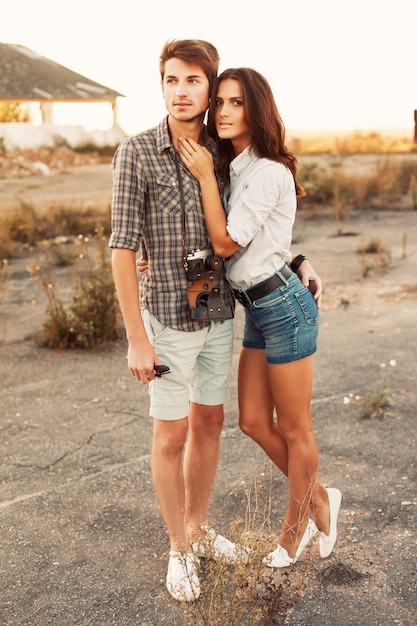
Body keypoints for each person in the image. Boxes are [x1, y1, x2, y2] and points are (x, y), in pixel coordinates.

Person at [110, 40, 322, 603]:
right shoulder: (137, 153)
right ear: (161, 85)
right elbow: (123, 248)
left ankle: (200, 531)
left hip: (224, 314)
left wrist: (295, 260)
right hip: (169, 322)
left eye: (194, 82)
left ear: (209, 90)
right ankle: (179, 549)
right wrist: (135, 337)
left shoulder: (223, 153)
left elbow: (253, 227)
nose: (182, 92)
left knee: (210, 427)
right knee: (170, 436)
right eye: (171, 81)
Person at [178, 67, 341, 569]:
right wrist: (297, 257)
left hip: (285, 310)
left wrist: (205, 175)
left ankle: (293, 536)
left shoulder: (267, 170)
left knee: (295, 429)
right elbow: (267, 240)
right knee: (251, 422)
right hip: (256, 307)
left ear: (257, 109)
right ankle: (320, 497)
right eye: (220, 103)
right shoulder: (236, 166)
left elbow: (229, 243)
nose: (223, 112)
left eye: (236, 103)